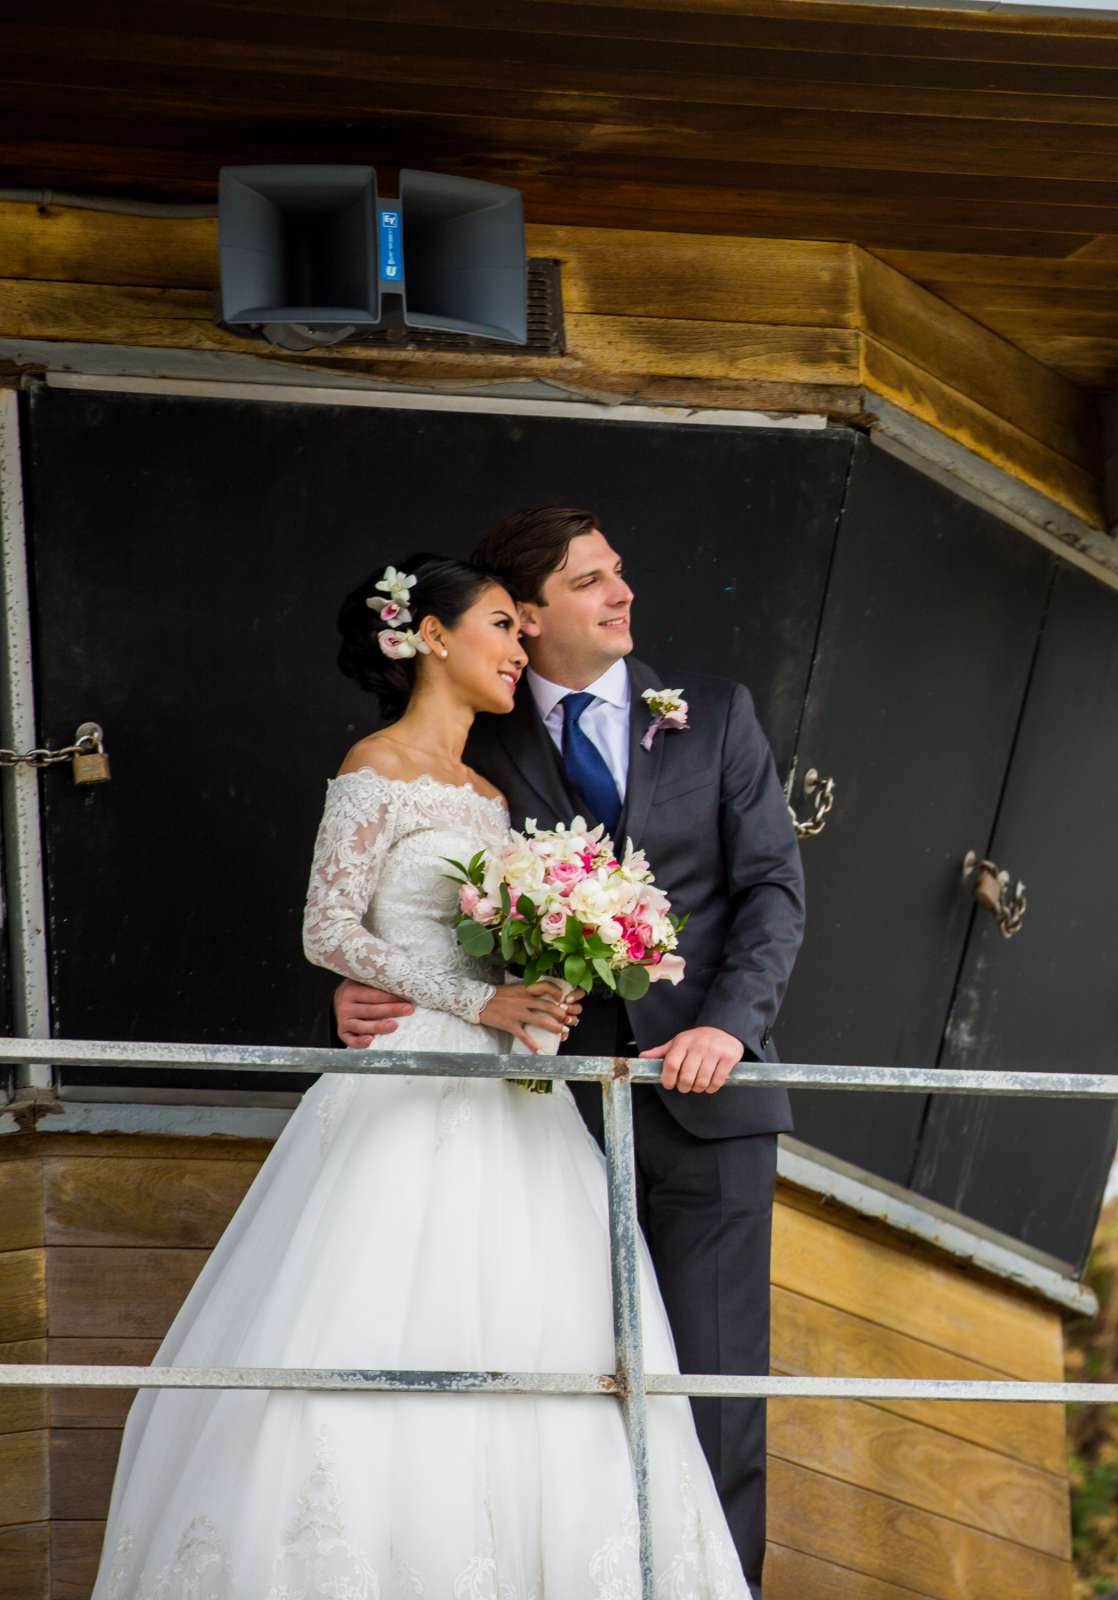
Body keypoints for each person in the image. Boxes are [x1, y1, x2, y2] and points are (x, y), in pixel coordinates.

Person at [92, 555, 751, 1596]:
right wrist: (470, 1001)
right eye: (501, 624)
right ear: (434, 636)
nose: (519, 646)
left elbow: (486, 949)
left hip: (516, 1101)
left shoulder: (494, 796)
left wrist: (541, 988)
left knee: (551, 1335)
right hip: (406, 1092)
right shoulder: (375, 766)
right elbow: (327, 926)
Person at [334, 508, 803, 1590]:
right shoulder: (473, 738)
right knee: (555, 1398)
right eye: (592, 579)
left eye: (620, 571)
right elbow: (386, 892)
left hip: (708, 1109)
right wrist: (346, 1004)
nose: (621, 591)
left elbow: (774, 889)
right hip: (538, 1119)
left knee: (715, 1399)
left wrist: (727, 1026)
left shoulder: (719, 716)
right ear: (528, 618)